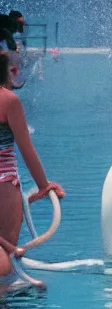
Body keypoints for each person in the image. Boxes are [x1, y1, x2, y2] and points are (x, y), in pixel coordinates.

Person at [0, 51, 64, 290]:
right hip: (3, 184)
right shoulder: (8, 101)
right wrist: (43, 186)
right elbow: (26, 149)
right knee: (4, 257)